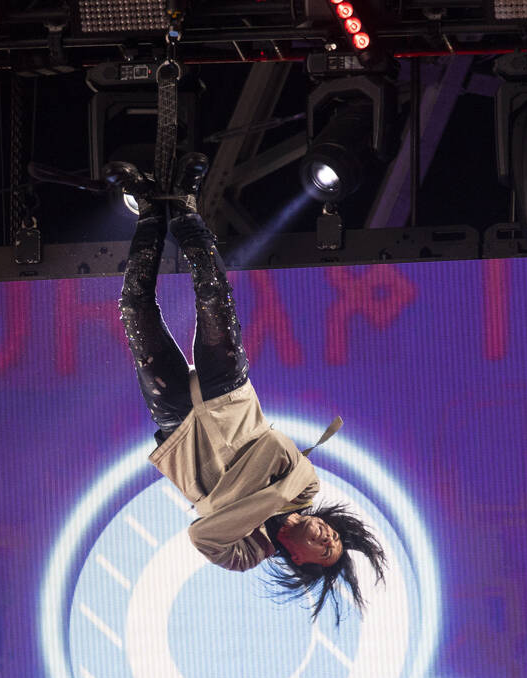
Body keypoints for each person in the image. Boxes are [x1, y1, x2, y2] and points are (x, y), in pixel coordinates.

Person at [108, 152, 386, 622]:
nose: (326, 536)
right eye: (335, 537)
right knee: (214, 295)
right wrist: (230, 502)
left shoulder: (243, 555)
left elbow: (201, 535)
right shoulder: (306, 486)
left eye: (325, 550)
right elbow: (271, 445)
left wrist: (266, 492)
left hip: (177, 425)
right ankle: (187, 208)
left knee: (135, 308)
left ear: (299, 561)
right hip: (230, 395)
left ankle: (151, 212)